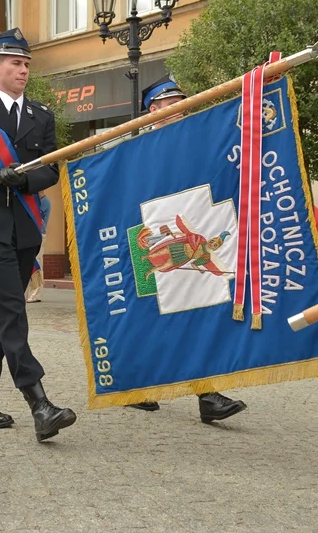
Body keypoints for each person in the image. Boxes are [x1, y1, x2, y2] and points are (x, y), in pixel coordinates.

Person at [0, 28, 77, 442]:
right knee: (12, 307)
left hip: (27, 222)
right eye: (15, 63)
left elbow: (52, 167)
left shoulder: (41, 115)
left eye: (27, 64)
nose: (23, 70)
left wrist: (22, 180)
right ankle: (38, 401)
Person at [125, 76, 249, 422]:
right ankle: (137, 385)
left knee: (189, 315)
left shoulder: (192, 144)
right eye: (171, 104)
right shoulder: (134, 151)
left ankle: (207, 397)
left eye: (182, 103)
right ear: (154, 110)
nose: (180, 110)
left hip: (185, 250)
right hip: (148, 247)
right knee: (149, 318)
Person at [24, 194, 52, 303]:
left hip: (39, 234)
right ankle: (26, 292)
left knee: (37, 263)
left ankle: (36, 294)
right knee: (27, 263)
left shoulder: (44, 202)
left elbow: (41, 221)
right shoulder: (31, 200)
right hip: (29, 235)